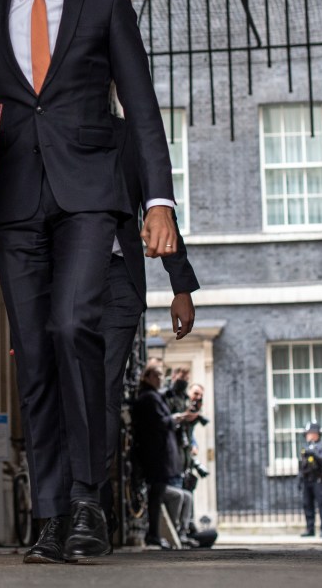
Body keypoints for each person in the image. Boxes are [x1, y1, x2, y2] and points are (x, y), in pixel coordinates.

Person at [0, 0, 178, 563]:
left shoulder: (104, 1)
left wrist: (158, 202)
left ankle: (86, 499)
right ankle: (48, 515)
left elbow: (141, 105)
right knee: (35, 353)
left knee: (74, 327)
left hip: (90, 195)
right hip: (13, 201)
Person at [101, 116, 198, 533]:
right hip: (63, 279)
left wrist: (181, 286)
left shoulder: (128, 136)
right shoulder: (49, 127)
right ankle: (62, 506)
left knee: (103, 390)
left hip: (119, 277)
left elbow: (159, 210)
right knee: (65, 390)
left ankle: (94, 504)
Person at [129, 360, 182, 548]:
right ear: (148, 377)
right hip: (155, 453)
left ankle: (154, 534)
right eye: (157, 375)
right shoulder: (149, 397)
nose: (160, 378)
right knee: (155, 494)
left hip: (156, 452)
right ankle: (153, 535)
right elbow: (158, 423)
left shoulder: (151, 396)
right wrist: (174, 419)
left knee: (157, 494)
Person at [298, 421, 322, 538]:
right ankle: (310, 528)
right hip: (307, 480)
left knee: (321, 504)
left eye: (309, 433)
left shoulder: (321, 446)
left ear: (315, 434)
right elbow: (301, 465)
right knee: (307, 504)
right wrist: (299, 479)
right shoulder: (305, 447)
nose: (307, 435)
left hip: (318, 480)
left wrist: (314, 454)